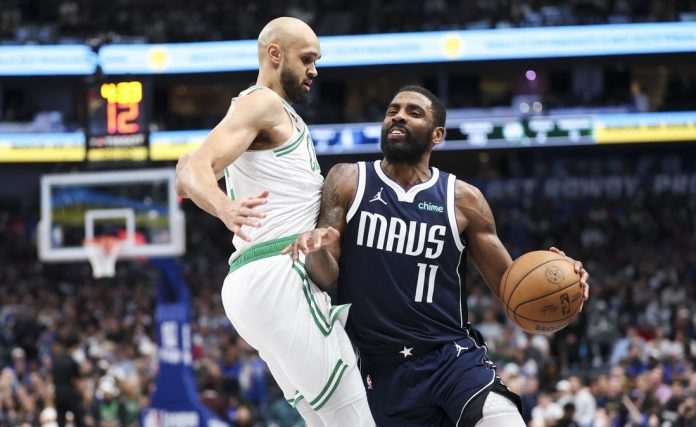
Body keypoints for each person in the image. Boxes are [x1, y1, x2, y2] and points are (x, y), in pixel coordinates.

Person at [283, 85, 590, 426]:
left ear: (437, 135)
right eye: (392, 111)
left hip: (451, 357)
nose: (398, 116)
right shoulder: (348, 180)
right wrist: (316, 250)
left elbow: (511, 289)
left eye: (413, 112)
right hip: (379, 367)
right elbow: (326, 276)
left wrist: (562, 285)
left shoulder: (464, 200)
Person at [175, 17, 374, 427]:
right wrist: (225, 208)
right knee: (356, 417)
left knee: (325, 419)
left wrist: (199, 181)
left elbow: (185, 175)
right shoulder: (262, 103)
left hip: (255, 282)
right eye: (307, 59)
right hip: (281, 273)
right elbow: (194, 169)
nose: (314, 70)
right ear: (274, 54)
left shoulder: (278, 115)